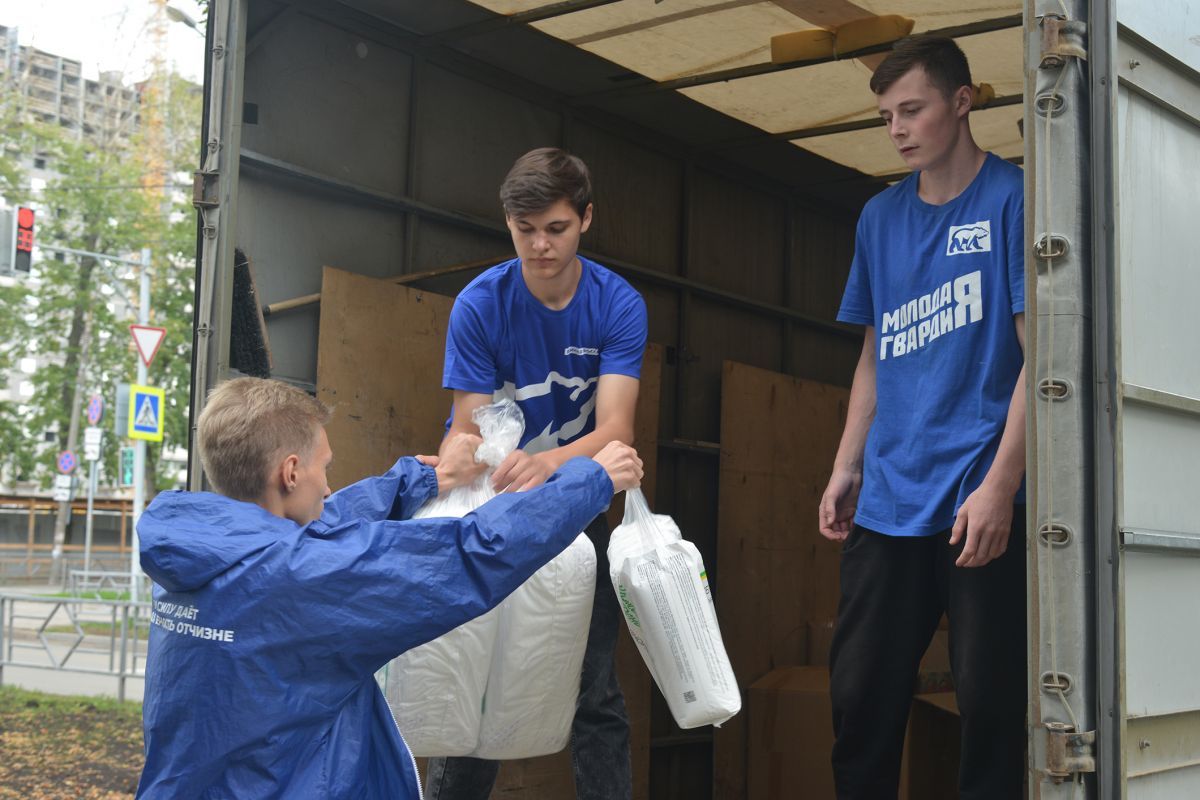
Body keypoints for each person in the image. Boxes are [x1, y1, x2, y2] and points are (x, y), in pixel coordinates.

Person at [136, 377, 643, 799]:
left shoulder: (194, 553)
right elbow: (474, 552)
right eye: (324, 468)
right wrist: (591, 480)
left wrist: (424, 479)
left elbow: (321, 525)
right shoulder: (306, 577)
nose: (328, 485)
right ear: (290, 471)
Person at [817, 36, 1027, 799]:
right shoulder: (879, 217)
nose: (898, 129)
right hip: (890, 495)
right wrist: (846, 464)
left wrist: (1002, 486)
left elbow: (1043, 360)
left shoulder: (1013, 198)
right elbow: (875, 354)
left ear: (962, 101)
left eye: (912, 109)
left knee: (990, 704)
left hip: (978, 492)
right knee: (859, 697)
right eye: (886, 117)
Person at [425, 147, 648, 800]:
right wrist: (462, 457)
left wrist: (546, 464)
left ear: (586, 219)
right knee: (477, 676)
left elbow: (617, 430)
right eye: (525, 230)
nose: (540, 245)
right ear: (508, 223)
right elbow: (468, 428)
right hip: (492, 509)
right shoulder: (479, 304)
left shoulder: (617, 303)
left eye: (556, 228)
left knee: (594, 686)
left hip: (578, 511)